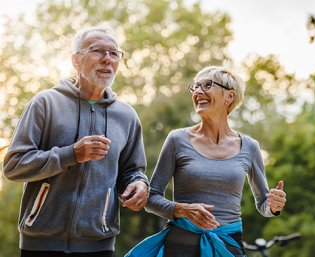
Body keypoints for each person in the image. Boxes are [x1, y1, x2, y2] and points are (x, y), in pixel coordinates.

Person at [3, 25, 149, 257]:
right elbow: (13, 166)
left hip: (98, 244)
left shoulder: (127, 116)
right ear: (76, 60)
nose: (107, 59)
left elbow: (133, 171)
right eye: (97, 51)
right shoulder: (45, 103)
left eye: (114, 53)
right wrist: (71, 154)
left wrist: (139, 185)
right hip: (40, 243)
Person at [125, 66, 287, 257]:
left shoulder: (250, 147)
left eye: (207, 85)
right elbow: (151, 199)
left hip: (228, 246)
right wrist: (182, 210)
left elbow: (263, 205)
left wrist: (274, 206)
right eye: (195, 87)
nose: (198, 92)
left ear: (230, 96)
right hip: (180, 246)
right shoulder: (177, 139)